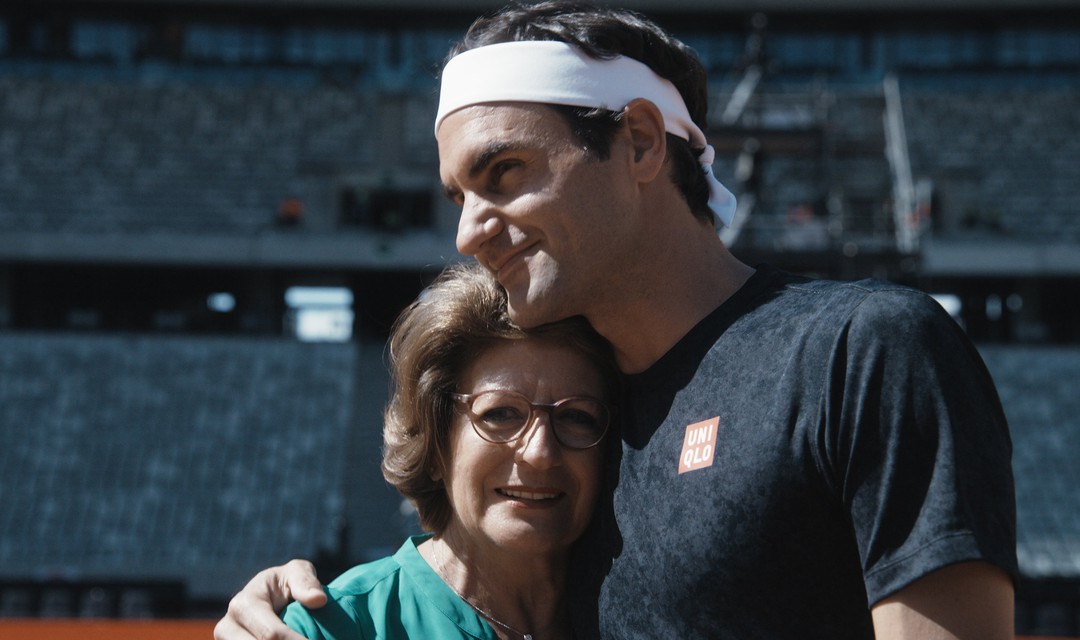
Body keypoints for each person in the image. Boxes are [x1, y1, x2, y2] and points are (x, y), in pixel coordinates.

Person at [215, 2, 1017, 638]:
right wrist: (307, 607)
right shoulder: (574, 421)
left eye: (504, 172)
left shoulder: (861, 350)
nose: (466, 232)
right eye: (460, 197)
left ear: (637, 141)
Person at [281, 262, 620, 639]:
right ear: (437, 443)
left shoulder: (655, 613)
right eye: (501, 414)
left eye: (577, 417)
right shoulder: (337, 627)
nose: (540, 452)